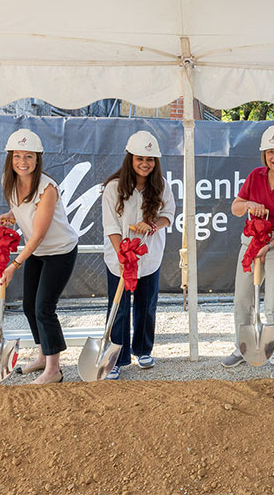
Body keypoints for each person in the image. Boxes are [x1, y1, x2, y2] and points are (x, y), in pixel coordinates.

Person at [223, 125, 274, 379]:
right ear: (264, 155)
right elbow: (236, 208)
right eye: (270, 152)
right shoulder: (255, 176)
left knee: (273, 304)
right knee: (242, 299)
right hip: (251, 240)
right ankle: (244, 348)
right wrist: (249, 204)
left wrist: (269, 246)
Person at [0, 129, 78, 385]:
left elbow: (38, 234)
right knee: (29, 306)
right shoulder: (8, 182)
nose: (23, 162)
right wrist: (12, 214)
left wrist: (14, 264)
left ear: (38, 158)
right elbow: (22, 206)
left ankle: (54, 370)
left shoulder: (47, 188)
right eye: (17, 156)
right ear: (10, 158)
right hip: (38, 252)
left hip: (59, 252)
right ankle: (43, 356)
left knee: (44, 308)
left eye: (29, 156)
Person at [101, 131, 175, 380]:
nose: (145, 164)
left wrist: (152, 223)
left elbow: (169, 216)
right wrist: (123, 256)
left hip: (149, 256)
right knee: (119, 307)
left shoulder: (161, 185)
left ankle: (143, 349)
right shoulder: (113, 187)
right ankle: (116, 359)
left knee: (146, 305)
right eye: (140, 158)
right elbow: (111, 227)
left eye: (151, 159)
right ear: (130, 159)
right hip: (119, 259)